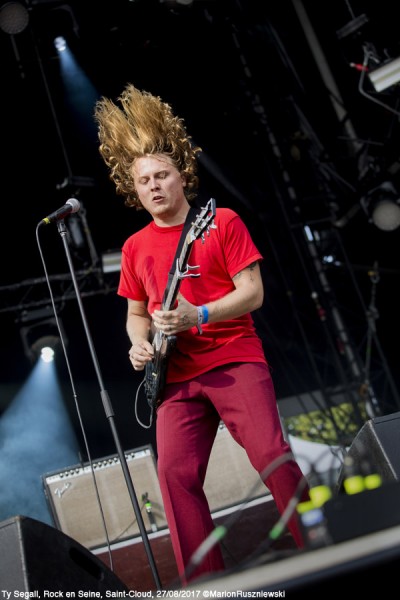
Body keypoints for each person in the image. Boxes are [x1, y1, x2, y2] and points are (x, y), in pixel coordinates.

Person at [94, 84, 309, 585]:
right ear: (133, 186)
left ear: (181, 174)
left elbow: (252, 292)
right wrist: (136, 343)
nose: (153, 186)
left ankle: (322, 544)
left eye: (161, 174)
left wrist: (200, 315)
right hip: (177, 379)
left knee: (273, 458)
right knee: (174, 477)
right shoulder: (133, 247)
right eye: (143, 179)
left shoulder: (222, 222)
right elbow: (136, 313)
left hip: (234, 359)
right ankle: (206, 586)